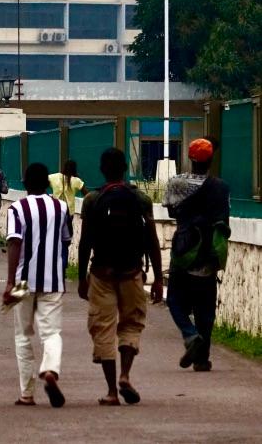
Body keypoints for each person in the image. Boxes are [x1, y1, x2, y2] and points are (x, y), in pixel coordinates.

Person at [78, 147, 163, 406]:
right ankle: (126, 375)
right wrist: (158, 278)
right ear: (125, 169)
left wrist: (82, 277)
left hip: (102, 274)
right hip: (132, 272)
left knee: (103, 329)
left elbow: (85, 242)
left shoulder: (93, 200)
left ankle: (112, 391)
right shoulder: (139, 199)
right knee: (131, 324)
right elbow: (152, 240)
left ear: (102, 170)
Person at [3, 163, 69, 407]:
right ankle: (50, 369)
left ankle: (26, 393)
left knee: (23, 334)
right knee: (51, 332)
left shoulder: (17, 209)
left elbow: (14, 243)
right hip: (53, 280)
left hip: (22, 281)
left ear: (24, 183)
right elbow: (66, 240)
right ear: (48, 183)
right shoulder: (61, 207)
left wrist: (10, 282)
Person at [164, 137, 231, 373]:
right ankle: (202, 359)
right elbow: (224, 219)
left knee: (174, 300)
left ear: (190, 159)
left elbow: (171, 210)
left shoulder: (177, 182)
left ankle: (190, 335)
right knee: (206, 308)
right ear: (211, 159)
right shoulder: (221, 187)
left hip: (184, 250)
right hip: (208, 252)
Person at [49, 160, 84, 267]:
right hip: (69, 215)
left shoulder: (53, 177)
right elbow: (87, 193)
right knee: (65, 241)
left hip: (55, 212)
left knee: (55, 239)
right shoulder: (76, 181)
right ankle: (63, 265)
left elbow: (39, 183)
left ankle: (54, 264)